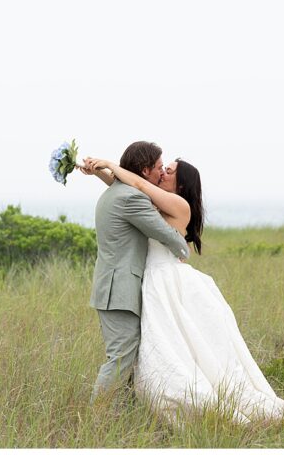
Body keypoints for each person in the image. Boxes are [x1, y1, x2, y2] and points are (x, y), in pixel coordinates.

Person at [81, 154, 284, 423]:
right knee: (167, 347)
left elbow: (140, 186)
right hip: (154, 282)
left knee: (174, 347)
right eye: (162, 168)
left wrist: (110, 164)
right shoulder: (152, 200)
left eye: (169, 171)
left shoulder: (178, 203)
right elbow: (127, 189)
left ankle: (199, 407)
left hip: (167, 281)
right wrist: (99, 172)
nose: (163, 172)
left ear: (181, 184)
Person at [84, 140, 190, 399]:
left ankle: (121, 412)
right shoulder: (132, 198)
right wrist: (183, 249)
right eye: (158, 167)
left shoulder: (118, 192)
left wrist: (101, 171)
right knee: (121, 357)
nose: (161, 172)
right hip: (118, 289)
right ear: (144, 171)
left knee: (130, 356)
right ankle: (95, 415)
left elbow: (125, 184)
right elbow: (165, 233)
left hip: (114, 287)